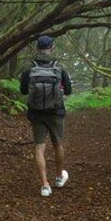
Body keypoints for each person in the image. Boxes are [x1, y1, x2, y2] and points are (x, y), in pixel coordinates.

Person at [19, 35, 73, 197]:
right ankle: (58, 178)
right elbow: (69, 91)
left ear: (37, 48)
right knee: (58, 144)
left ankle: (44, 186)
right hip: (56, 112)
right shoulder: (59, 68)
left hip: (36, 113)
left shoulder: (29, 68)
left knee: (39, 147)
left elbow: (23, 91)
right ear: (52, 48)